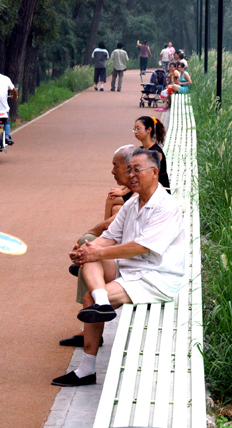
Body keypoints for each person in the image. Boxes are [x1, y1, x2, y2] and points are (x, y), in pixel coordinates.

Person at [51, 149, 185, 387]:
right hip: (131, 269)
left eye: (137, 170)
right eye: (129, 170)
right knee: (90, 255)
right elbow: (109, 237)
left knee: (89, 297)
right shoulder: (133, 202)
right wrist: (85, 250)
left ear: (154, 173)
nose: (131, 175)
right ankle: (102, 301)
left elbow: (141, 247)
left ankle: (86, 370)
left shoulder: (166, 206)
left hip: (155, 278)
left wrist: (97, 252)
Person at [60, 145, 137, 348]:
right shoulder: (130, 197)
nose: (112, 171)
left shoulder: (148, 198)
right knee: (89, 252)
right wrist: (88, 247)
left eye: (115, 166)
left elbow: (136, 244)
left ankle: (95, 303)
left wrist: (93, 246)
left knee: (91, 252)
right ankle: (97, 301)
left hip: (139, 273)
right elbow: (110, 228)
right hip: (126, 262)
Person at [134, 116, 171, 192]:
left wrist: (123, 192)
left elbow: (144, 176)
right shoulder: (141, 149)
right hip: (144, 188)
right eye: (134, 129)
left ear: (149, 130)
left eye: (138, 128)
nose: (135, 132)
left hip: (158, 192)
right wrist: (121, 189)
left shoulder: (156, 152)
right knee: (115, 201)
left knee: (113, 199)